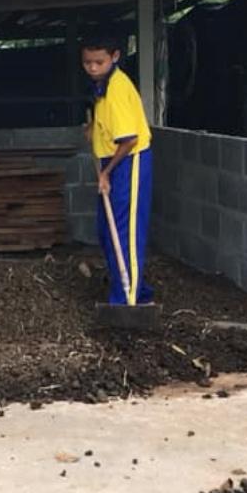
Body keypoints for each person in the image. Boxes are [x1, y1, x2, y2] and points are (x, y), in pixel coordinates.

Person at [82, 35, 155, 306]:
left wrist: (106, 173)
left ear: (114, 57)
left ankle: (126, 300)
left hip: (128, 162)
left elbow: (129, 139)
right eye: (87, 62)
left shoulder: (117, 89)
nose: (92, 68)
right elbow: (108, 124)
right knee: (107, 230)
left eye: (99, 62)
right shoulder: (102, 84)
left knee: (125, 231)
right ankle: (135, 290)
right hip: (111, 161)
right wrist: (94, 129)